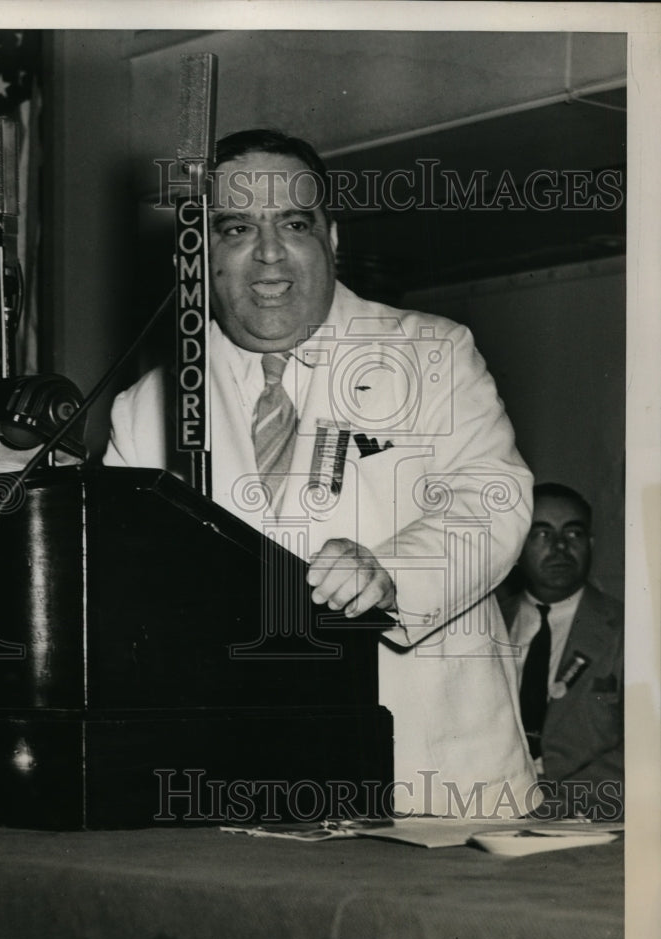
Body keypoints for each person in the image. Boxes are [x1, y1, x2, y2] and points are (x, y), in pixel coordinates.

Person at [105, 128, 541, 817]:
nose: (270, 255)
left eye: (294, 224)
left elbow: (493, 500)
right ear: (198, 254)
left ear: (331, 240)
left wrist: (390, 568)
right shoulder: (144, 409)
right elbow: (124, 591)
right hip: (240, 780)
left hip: (430, 774)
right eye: (236, 227)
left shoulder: (430, 351)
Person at [499, 483, 624, 818]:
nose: (559, 547)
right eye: (541, 534)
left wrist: (561, 803)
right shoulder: (485, 626)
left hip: (591, 817)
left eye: (574, 533)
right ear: (515, 547)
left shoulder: (631, 630)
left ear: (591, 544)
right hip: (488, 808)